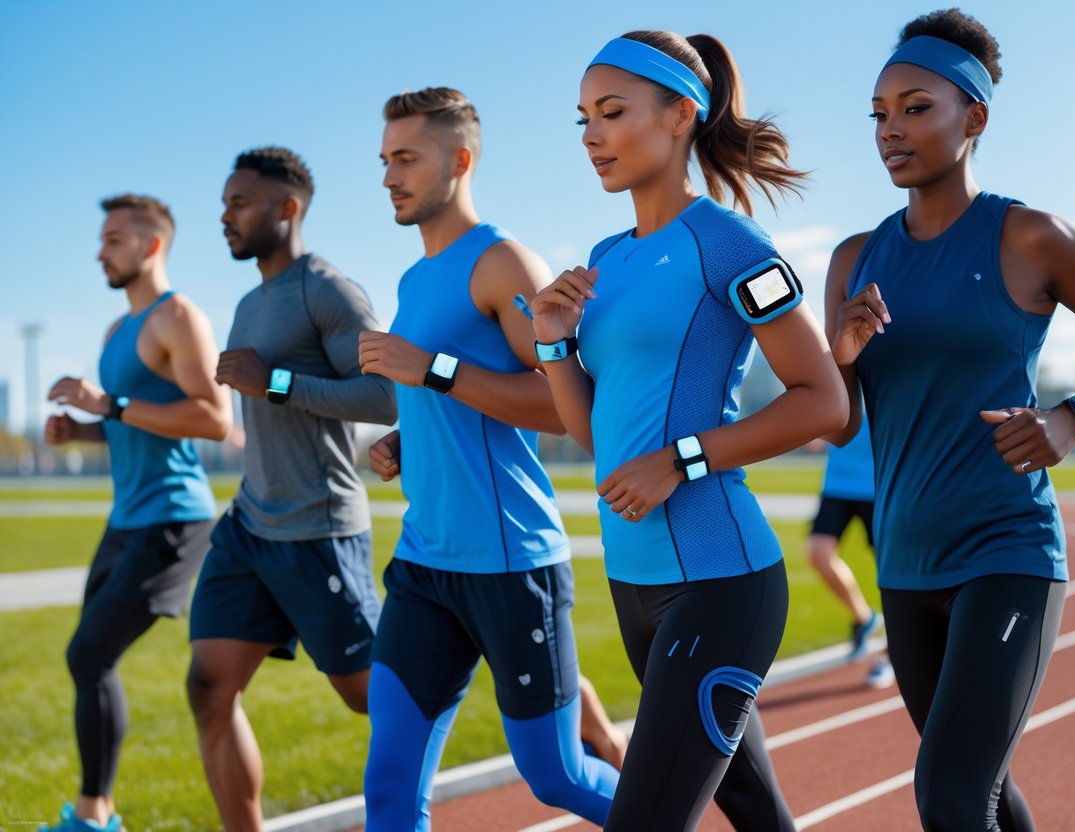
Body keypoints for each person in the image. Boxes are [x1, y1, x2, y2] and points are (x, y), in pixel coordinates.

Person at [825, 10, 1075, 830]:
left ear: (972, 118)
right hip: (904, 565)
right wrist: (838, 356)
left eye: (915, 107)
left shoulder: (1026, 236)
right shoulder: (852, 258)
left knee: (946, 792)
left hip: (1005, 550)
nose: (889, 131)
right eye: (878, 113)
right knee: (979, 791)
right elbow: (839, 428)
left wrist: (1074, 416)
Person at [531, 31, 848, 831]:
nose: (592, 136)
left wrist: (681, 459)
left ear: (679, 114)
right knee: (751, 808)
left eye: (611, 112)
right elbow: (589, 433)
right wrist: (551, 338)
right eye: (582, 121)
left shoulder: (730, 244)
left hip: (718, 579)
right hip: (634, 581)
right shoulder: (603, 258)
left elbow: (823, 401)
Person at [358, 87, 622, 831]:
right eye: (384, 161)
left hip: (510, 566)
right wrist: (409, 436)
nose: (388, 177)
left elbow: (565, 407)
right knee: (388, 784)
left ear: (460, 160)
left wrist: (431, 371)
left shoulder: (503, 261)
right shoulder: (414, 280)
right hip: (424, 563)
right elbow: (456, 391)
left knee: (557, 776)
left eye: (405, 158)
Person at [186, 147, 396, 832]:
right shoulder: (250, 302)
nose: (225, 217)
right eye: (224, 204)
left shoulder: (326, 290)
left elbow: (385, 396)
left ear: (287, 209)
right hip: (250, 526)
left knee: (370, 696)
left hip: (319, 530)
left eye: (238, 204)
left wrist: (274, 381)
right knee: (209, 687)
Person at [42, 194, 231, 832]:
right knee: (89, 659)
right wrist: (82, 432)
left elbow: (212, 417)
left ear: (152, 246)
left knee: (88, 655)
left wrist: (109, 404)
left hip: (174, 520)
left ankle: (94, 818)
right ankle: (98, 811)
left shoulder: (178, 318)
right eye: (102, 239)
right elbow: (130, 425)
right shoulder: (116, 332)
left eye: (115, 239)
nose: (101, 251)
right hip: (126, 519)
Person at [806, 412, 893, 687]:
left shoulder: (887, 373)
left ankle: (890, 654)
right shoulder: (838, 375)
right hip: (837, 485)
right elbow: (814, 442)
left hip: (882, 485)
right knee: (818, 553)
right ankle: (864, 619)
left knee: (892, 572)